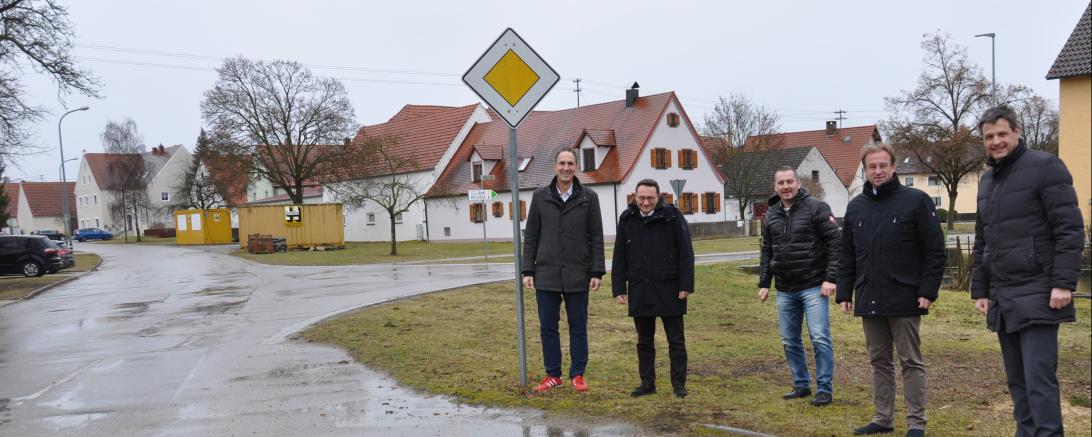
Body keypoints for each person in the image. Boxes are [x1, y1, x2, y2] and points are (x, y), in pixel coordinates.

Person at [971, 105, 1082, 437]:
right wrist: (981, 289)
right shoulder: (987, 180)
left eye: (1002, 134)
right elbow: (983, 238)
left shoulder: (1046, 167)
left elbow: (1070, 229)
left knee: (1039, 382)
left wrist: (1063, 283)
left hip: (1039, 292)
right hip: (1004, 297)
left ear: (1017, 132)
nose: (996, 141)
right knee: (1017, 382)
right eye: (989, 136)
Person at [835, 143, 945, 437]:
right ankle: (883, 418)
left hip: (906, 296)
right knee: (878, 361)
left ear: (893, 167)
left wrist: (928, 290)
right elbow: (847, 253)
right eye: (872, 167)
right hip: (869, 295)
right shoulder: (856, 206)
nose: (878, 171)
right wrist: (844, 292)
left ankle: (916, 423)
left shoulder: (916, 201)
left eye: (883, 165)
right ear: (865, 170)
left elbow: (934, 250)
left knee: (911, 361)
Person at [522, 149, 606, 393]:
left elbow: (596, 237)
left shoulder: (589, 197)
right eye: (562, 163)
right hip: (546, 275)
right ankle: (553, 375)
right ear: (554, 167)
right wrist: (528, 270)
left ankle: (578, 375)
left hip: (578, 275)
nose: (566, 168)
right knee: (548, 327)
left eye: (570, 163)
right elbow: (532, 237)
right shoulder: (540, 197)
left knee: (578, 326)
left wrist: (596, 272)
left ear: (576, 166)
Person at [758, 166, 840, 407]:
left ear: (797, 183)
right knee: (789, 340)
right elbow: (767, 252)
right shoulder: (771, 215)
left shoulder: (816, 208)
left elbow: (836, 243)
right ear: (775, 186)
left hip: (813, 286)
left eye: (789, 182)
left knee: (819, 338)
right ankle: (801, 384)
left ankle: (824, 389)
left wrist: (830, 278)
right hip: (785, 289)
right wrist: (765, 283)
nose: (786, 186)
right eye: (781, 182)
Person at [611, 179, 695, 398]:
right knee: (644, 341)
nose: (646, 202)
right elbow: (619, 256)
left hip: (670, 287)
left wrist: (686, 284)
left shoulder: (673, 217)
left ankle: (679, 384)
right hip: (640, 287)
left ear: (659, 197)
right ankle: (647, 383)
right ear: (635, 197)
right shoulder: (627, 219)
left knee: (676, 341)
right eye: (642, 198)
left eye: (650, 198)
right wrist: (619, 287)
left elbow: (686, 252)